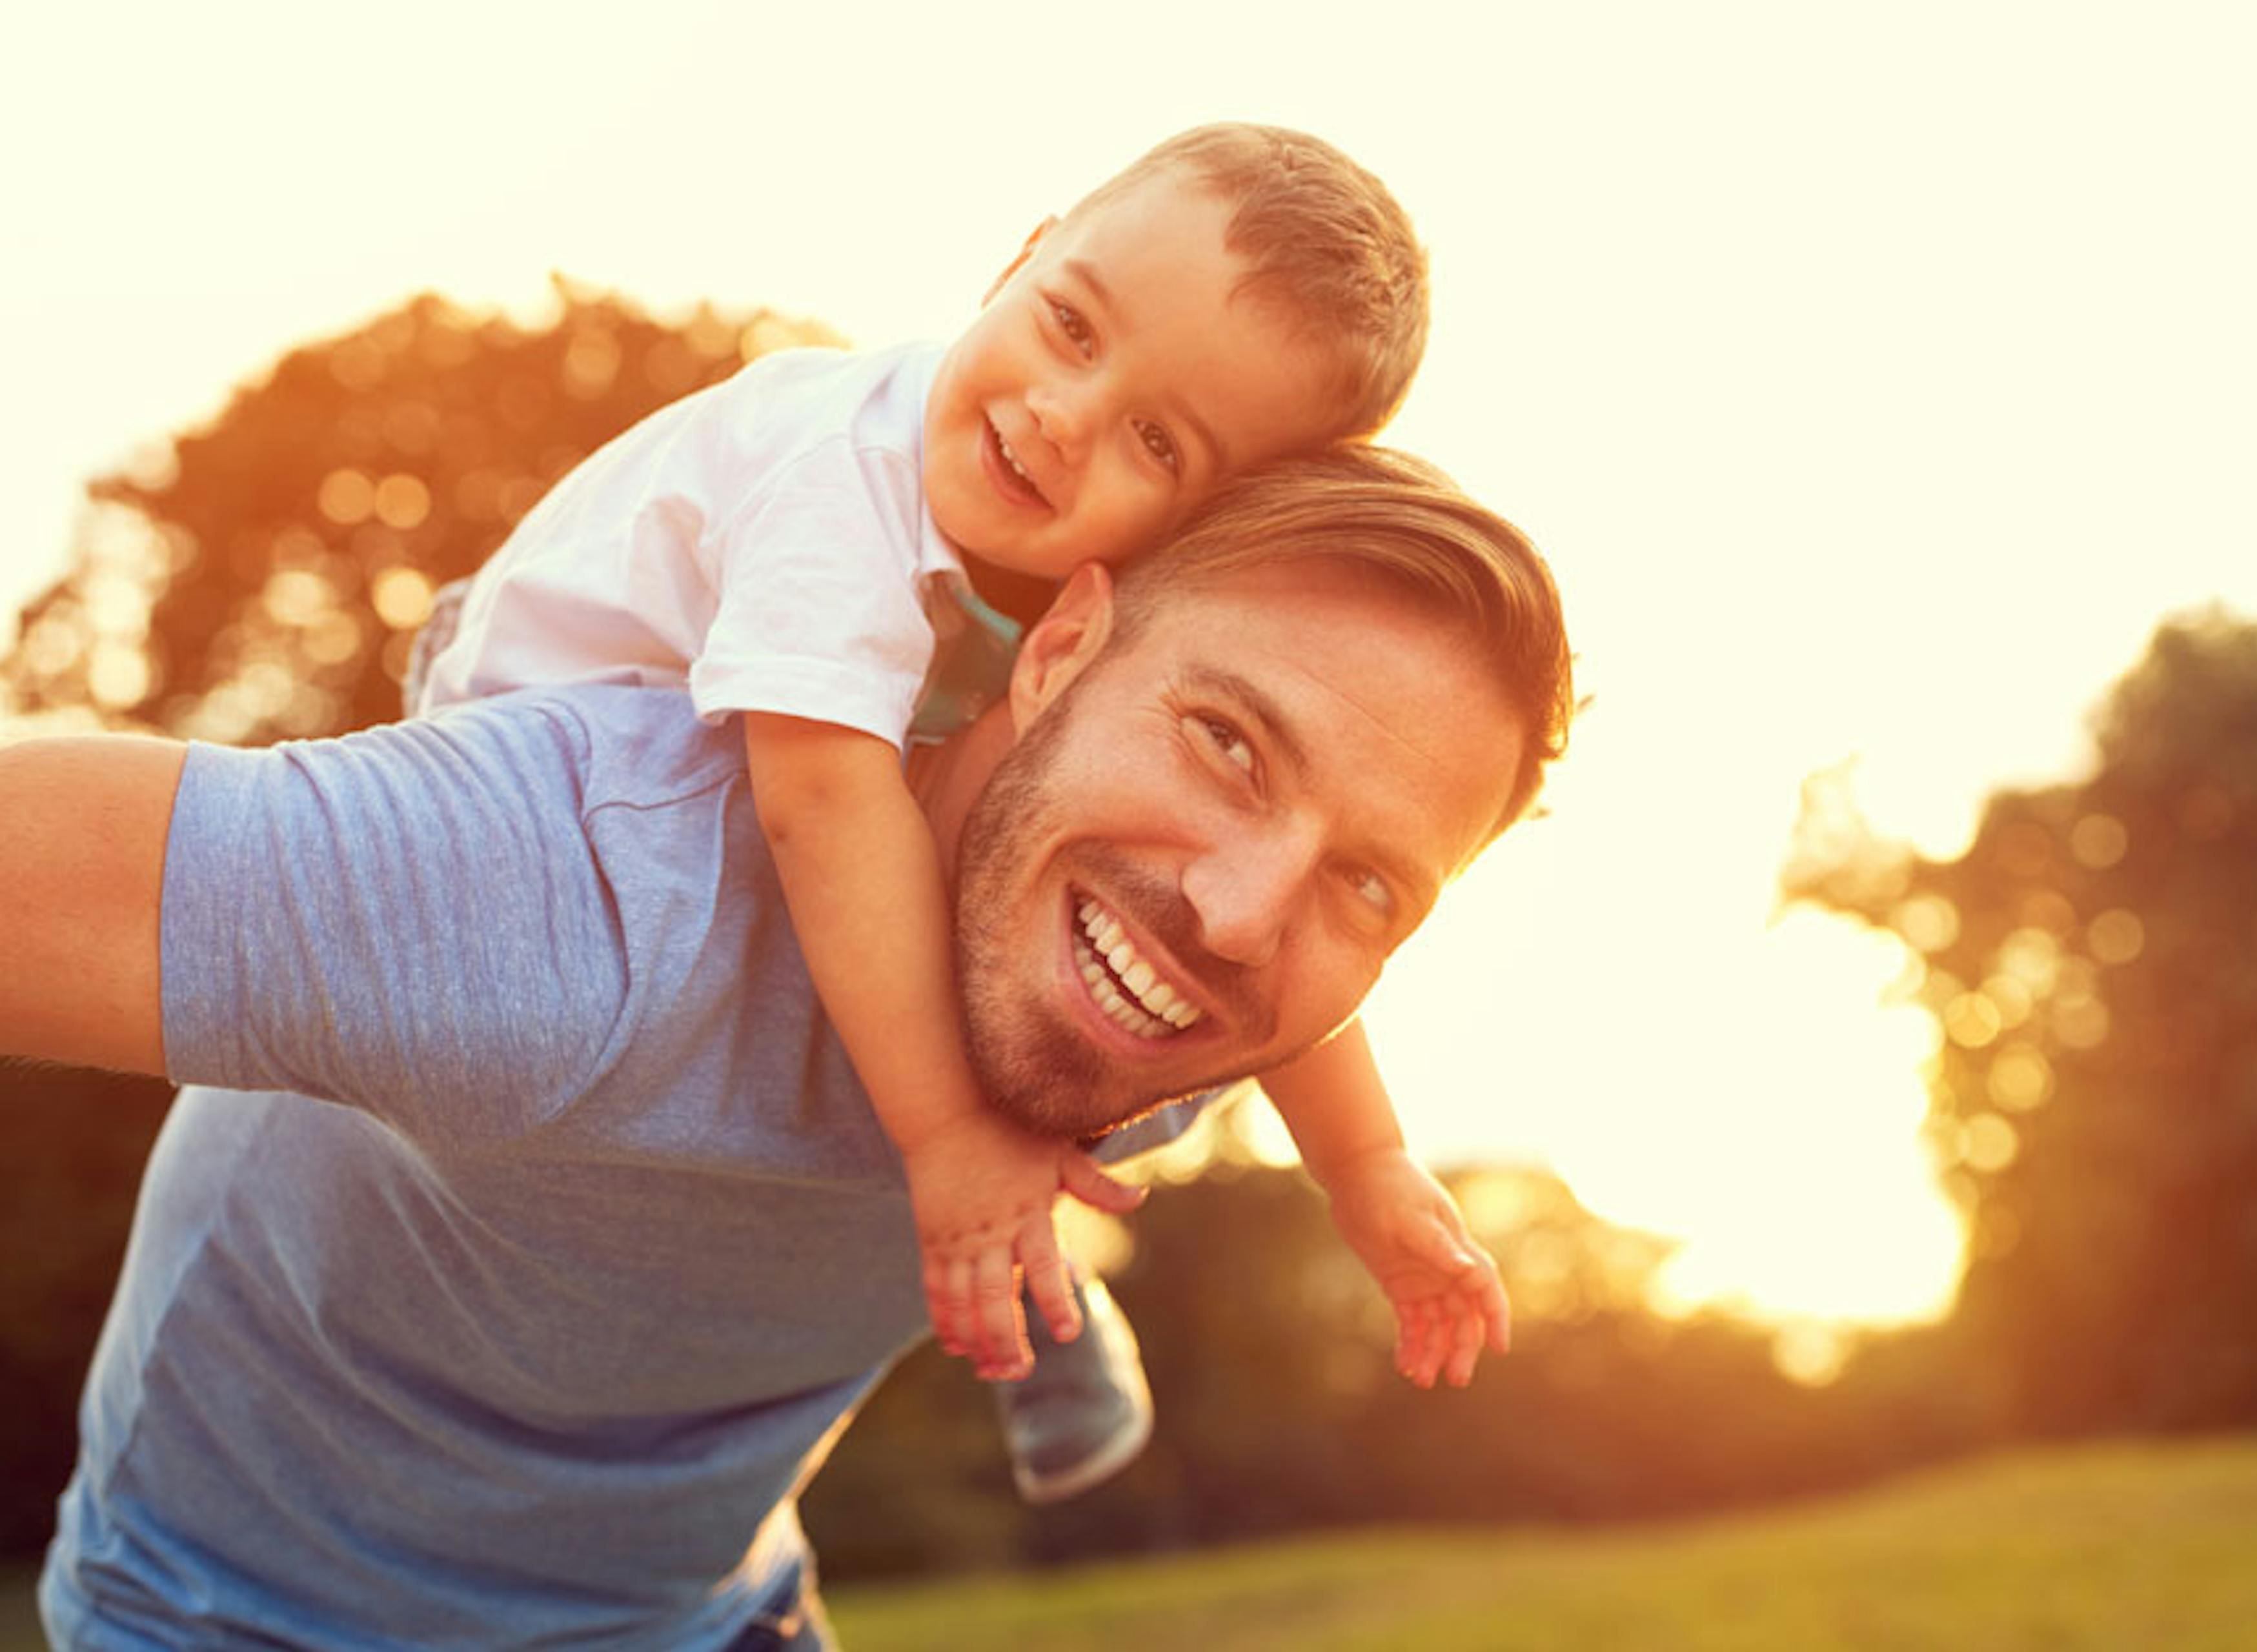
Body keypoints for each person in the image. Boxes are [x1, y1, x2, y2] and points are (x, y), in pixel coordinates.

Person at [3, 446, 1575, 1649]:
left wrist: (1373, 1181)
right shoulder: (577, 895)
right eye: (1225, 740)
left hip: (700, 1608)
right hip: (245, 1613)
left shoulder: (1176, 1001)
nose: (1237, 916)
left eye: (1365, 881)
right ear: (1056, 647)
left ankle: (1054, 1313)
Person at [403, 123, 1498, 1502]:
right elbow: (816, 797)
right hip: (537, 768)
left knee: (1096, 941)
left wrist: (1369, 1164)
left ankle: (1033, 1296)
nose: (1063, 414)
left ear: (1204, 531)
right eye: (1071, 326)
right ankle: (1017, 1278)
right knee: (930, 1008)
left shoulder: (1070, 568)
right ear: (1023, 255)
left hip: (755, 779)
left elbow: (1264, 871)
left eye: (1158, 438)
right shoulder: (835, 479)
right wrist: (949, 1138)